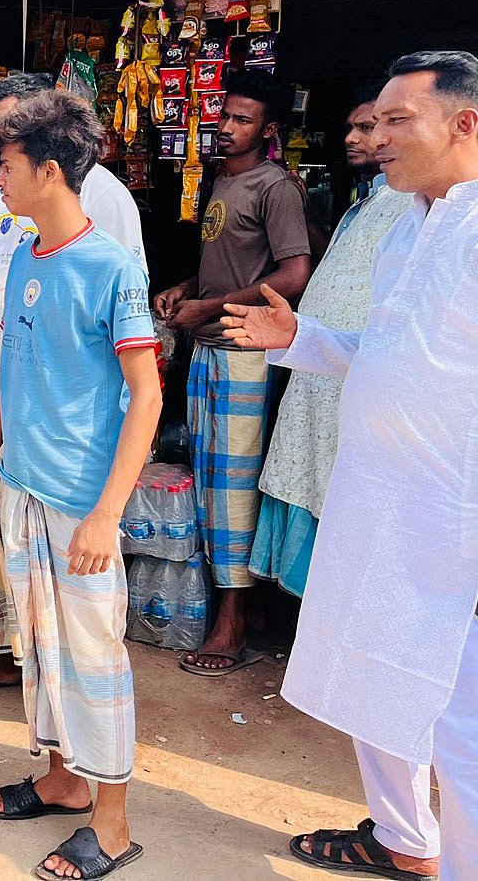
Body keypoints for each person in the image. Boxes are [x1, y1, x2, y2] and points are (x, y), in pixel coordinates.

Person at [222, 49, 478, 881]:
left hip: (460, 528)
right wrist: (301, 338)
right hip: (378, 502)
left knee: (467, 730)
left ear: (465, 123)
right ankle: (405, 838)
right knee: (378, 686)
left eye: (397, 121)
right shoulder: (403, 223)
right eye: (375, 122)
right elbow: (388, 352)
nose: (377, 139)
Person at [0, 90, 161, 881]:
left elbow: (146, 394)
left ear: (49, 170)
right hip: (22, 484)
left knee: (93, 657)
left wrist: (107, 513)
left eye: (6, 164)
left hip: (82, 500)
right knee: (41, 646)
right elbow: (15, 369)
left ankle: (112, 824)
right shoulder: (24, 254)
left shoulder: (111, 266)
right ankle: (64, 779)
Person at [0, 73, 147, 693]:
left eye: (7, 140)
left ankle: (76, 713)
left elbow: (135, 363)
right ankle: (4, 654)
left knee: (82, 619)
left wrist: (110, 500)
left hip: (69, 440)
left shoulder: (107, 214)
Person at [153, 69, 312, 675]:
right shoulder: (222, 180)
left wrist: (213, 307)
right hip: (209, 349)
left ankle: (233, 623)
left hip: (246, 351)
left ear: (268, 130)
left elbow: (293, 274)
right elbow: (228, 264)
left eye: (242, 120)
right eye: (223, 115)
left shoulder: (277, 187)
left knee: (234, 486)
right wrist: (187, 289)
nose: (225, 127)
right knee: (209, 483)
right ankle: (233, 607)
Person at [250, 82, 414, 599]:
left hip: (352, 375)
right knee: (309, 476)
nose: (355, 138)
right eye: (354, 127)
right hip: (318, 364)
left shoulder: (417, 206)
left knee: (338, 492)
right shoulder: (367, 202)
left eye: (369, 127)